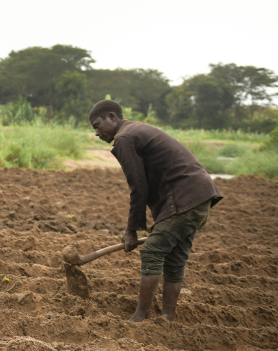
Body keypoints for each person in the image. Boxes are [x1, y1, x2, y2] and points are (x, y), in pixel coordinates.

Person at [88, 99, 222, 322]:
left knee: (152, 251)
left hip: (185, 198)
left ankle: (140, 317)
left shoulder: (124, 138)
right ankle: (167, 319)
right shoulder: (134, 131)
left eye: (97, 125)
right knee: (175, 259)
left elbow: (138, 187)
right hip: (200, 197)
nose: (96, 133)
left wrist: (132, 230)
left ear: (112, 117)